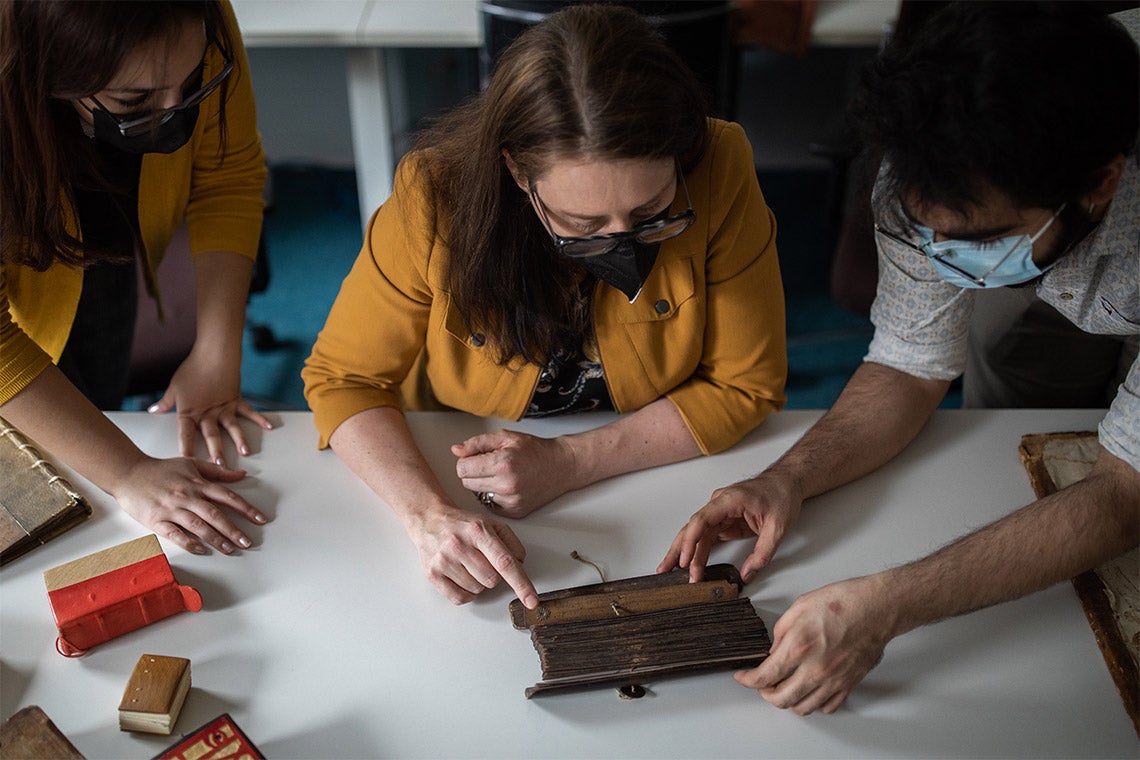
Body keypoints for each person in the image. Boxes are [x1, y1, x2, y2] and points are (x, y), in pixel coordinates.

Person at [660, 1, 1139, 714]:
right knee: (1009, 374)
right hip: (1073, 243)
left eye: (982, 238)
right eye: (930, 235)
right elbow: (912, 362)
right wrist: (787, 477)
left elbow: (1127, 492)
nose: (948, 258)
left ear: (1100, 184)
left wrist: (888, 605)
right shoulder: (927, 165)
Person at [302, 3, 787, 609]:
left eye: (650, 214)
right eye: (582, 223)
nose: (621, 243)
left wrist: (570, 461)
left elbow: (747, 384)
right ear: (515, 169)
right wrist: (427, 517)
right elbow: (343, 380)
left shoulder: (722, 163)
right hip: (460, 468)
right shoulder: (433, 194)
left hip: (658, 474)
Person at [1, 0, 272, 555]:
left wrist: (217, 352)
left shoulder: (188, 15)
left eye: (191, 83)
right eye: (135, 100)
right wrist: (127, 472)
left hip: (105, 246)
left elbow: (228, 179)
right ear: (45, 69)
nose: (173, 116)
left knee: (94, 382)